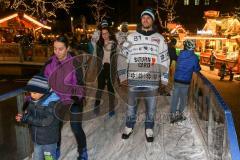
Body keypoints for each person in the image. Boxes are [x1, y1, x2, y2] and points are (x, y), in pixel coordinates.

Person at [118, 8, 170, 142]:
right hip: (134, 80)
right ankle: (129, 126)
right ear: (141, 20)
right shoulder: (131, 37)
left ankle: (149, 128)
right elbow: (122, 57)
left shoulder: (159, 38)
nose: (145, 20)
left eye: (148, 17)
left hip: (152, 81)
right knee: (131, 107)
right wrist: (123, 76)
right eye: (143, 17)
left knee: (151, 108)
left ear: (152, 20)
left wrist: (164, 79)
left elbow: (165, 59)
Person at [42, 35, 88, 160]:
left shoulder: (75, 62)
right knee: (55, 127)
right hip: (58, 99)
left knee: (76, 127)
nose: (57, 52)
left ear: (67, 48)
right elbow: (41, 83)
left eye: (60, 49)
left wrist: (76, 97)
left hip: (74, 98)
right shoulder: (50, 63)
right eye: (55, 49)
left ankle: (83, 151)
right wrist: (31, 99)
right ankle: (55, 148)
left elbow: (80, 83)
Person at [15, 74, 61, 160]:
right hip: (37, 139)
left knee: (49, 158)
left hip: (48, 141)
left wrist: (27, 118)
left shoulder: (52, 104)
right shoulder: (34, 101)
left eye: (34, 93)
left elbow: (45, 121)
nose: (32, 95)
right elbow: (31, 115)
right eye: (30, 93)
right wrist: (24, 117)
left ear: (44, 91)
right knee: (37, 157)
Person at [170, 39, 201, 123]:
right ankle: (180, 114)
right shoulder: (194, 57)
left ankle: (172, 114)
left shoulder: (180, 54)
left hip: (177, 80)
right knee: (183, 98)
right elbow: (197, 69)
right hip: (185, 81)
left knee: (175, 97)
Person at [94, 26, 118, 117]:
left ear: (109, 33)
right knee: (99, 88)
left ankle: (111, 108)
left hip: (111, 68)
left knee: (111, 89)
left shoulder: (114, 44)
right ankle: (96, 106)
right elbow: (97, 58)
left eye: (106, 33)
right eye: (102, 33)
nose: (104, 35)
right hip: (102, 68)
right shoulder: (99, 43)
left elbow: (116, 58)